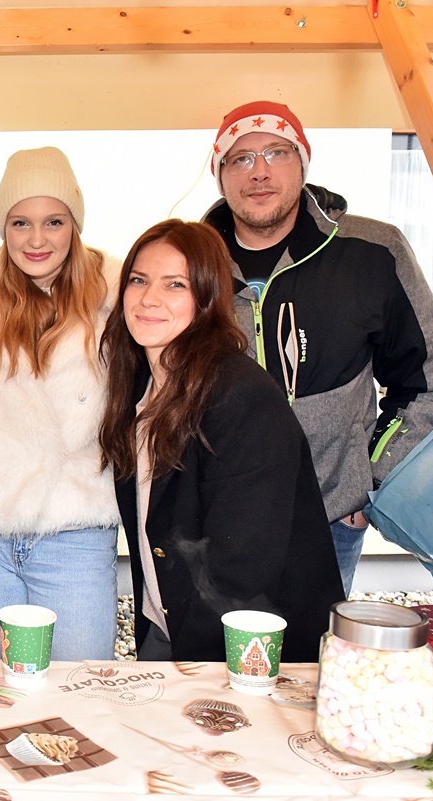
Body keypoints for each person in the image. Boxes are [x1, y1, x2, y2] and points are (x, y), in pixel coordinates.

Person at [203, 101, 433, 594]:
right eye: (240, 158)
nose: (259, 172)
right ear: (220, 176)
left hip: (330, 517)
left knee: (317, 644)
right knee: (217, 645)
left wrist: (373, 478)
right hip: (216, 515)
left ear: (303, 163)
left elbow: (430, 381)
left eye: (277, 152)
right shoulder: (189, 261)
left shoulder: (372, 251)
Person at [99, 219, 343, 662]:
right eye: (139, 280)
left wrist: (196, 671)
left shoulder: (240, 397)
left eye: (175, 284)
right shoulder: (138, 387)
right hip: (169, 625)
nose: (149, 298)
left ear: (207, 296)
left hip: (242, 650)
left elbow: (242, 565)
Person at [0, 147, 121, 661]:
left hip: (74, 532)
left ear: (74, 226)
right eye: (21, 222)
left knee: (79, 691)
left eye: (53, 222)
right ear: (4, 229)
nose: (36, 239)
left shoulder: (115, 306)